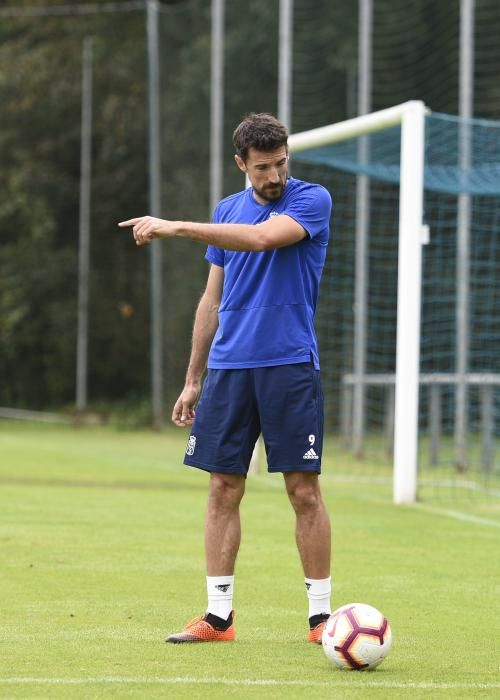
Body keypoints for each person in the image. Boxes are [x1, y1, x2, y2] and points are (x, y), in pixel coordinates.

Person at [119, 112, 333, 645]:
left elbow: (261, 240)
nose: (274, 175)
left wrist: (175, 226)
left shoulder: (312, 200)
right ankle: (218, 618)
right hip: (229, 370)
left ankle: (322, 620)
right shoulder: (227, 209)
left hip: (289, 365)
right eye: (262, 167)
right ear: (241, 164)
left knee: (303, 491)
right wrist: (193, 378)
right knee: (222, 487)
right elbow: (212, 299)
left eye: (280, 163)